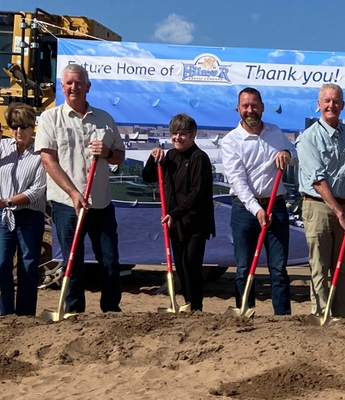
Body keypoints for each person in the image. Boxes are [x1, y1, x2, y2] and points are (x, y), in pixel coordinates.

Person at [37, 64, 126, 314]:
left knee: (109, 260)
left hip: (100, 204)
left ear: (87, 87)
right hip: (67, 205)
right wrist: (73, 193)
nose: (74, 87)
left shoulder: (105, 119)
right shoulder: (50, 118)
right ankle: (74, 312)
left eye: (78, 83)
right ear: (62, 87)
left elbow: (119, 155)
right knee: (72, 261)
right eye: (69, 83)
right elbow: (48, 160)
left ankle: (111, 310)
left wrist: (107, 153)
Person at [219, 87, 294, 316]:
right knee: (243, 268)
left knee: (279, 268)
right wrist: (256, 210)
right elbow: (238, 182)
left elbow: (294, 153)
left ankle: (282, 317)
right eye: (245, 106)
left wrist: (287, 154)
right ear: (238, 109)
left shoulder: (275, 132)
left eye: (254, 105)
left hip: (276, 205)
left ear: (262, 107)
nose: (250, 110)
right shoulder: (231, 141)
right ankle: (245, 311)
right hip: (244, 210)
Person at [0, 103, 47, 316]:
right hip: (1, 216)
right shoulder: (2, 148)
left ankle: (25, 316)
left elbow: (37, 190)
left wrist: (6, 201)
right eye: (14, 126)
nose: (19, 131)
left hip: (29, 215)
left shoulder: (41, 152)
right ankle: (5, 314)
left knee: (27, 266)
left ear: (32, 127)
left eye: (24, 126)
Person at [296, 84, 345, 319]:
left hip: (343, 205)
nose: (331, 105)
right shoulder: (309, 138)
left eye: (336, 101)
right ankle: (321, 314)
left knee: (341, 267)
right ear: (319, 104)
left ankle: (340, 313)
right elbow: (317, 181)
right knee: (320, 267)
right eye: (327, 101)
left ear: (342, 105)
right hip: (319, 207)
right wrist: (340, 213)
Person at [143, 113, 215, 311]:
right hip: (175, 223)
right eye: (175, 134)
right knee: (181, 267)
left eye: (183, 134)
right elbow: (148, 177)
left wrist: (174, 214)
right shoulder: (172, 156)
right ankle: (187, 303)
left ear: (193, 135)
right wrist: (153, 158)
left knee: (191, 264)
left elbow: (196, 193)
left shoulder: (200, 158)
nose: (178, 138)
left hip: (195, 221)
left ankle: (196, 307)